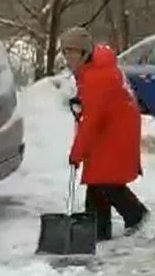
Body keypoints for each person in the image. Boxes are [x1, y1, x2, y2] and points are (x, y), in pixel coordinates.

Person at [60, 26, 149, 239]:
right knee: (98, 179)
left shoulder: (97, 77)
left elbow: (91, 121)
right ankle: (99, 229)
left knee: (106, 180)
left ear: (84, 52)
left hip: (115, 131)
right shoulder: (94, 67)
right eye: (65, 52)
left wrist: (77, 153)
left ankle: (136, 215)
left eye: (72, 52)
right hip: (113, 126)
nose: (68, 58)